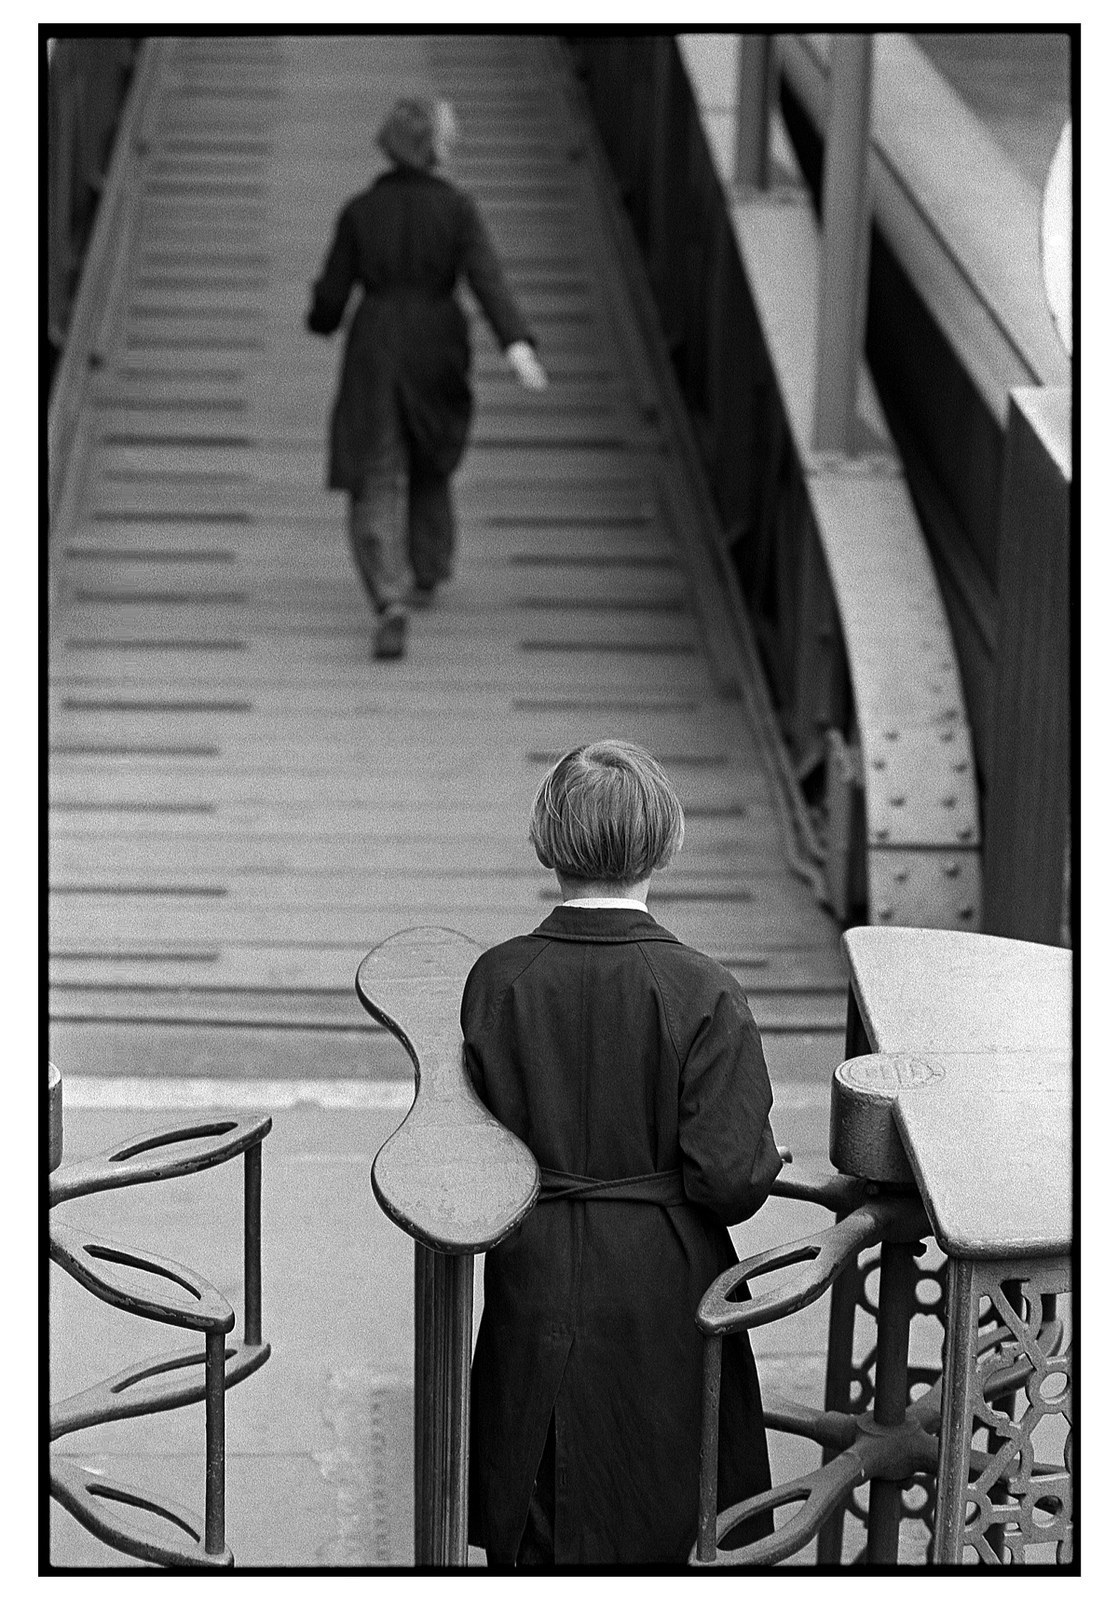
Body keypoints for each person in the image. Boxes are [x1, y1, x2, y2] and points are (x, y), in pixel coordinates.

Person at [461, 740, 784, 1566]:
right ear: (665, 840)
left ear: (547, 839)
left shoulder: (498, 979)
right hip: (664, 1278)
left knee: (539, 1494)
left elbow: (468, 1149)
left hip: (533, 1266)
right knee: (670, 1502)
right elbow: (730, 1175)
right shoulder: (701, 986)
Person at [306, 96, 547, 660]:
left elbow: (331, 301)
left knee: (377, 467)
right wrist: (517, 345)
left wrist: (320, 314)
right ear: (433, 146)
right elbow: (487, 279)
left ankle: (387, 594)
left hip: (376, 346)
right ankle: (429, 566)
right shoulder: (458, 210)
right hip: (438, 343)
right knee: (431, 455)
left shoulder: (360, 210)